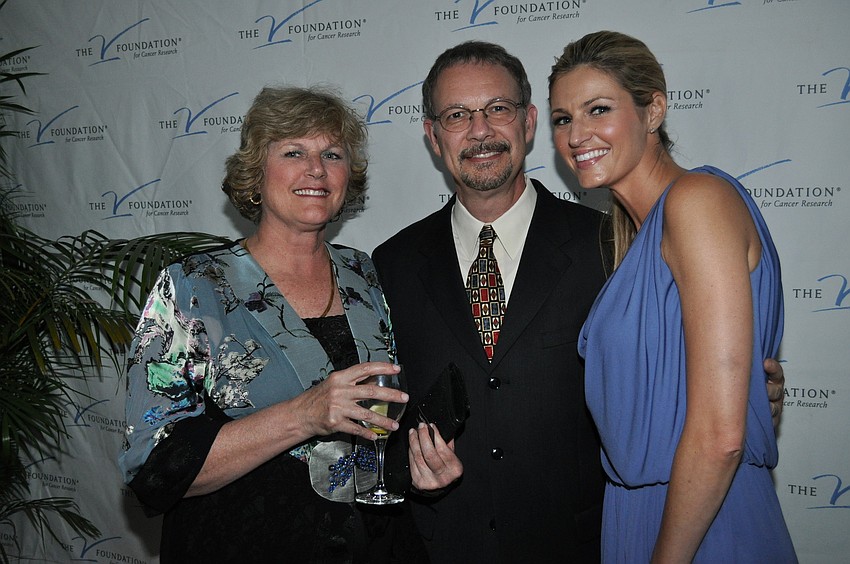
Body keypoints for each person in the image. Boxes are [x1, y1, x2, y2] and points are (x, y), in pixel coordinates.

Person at [373, 41, 787, 563]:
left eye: (497, 108)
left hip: (607, 539)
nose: (479, 130)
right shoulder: (389, 264)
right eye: (457, 115)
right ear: (433, 136)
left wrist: (745, 394)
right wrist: (410, 469)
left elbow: (716, 426)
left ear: (527, 123)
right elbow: (381, 418)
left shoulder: (610, 243)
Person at [119, 86, 426, 563]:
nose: (316, 169)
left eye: (332, 154)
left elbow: (378, 425)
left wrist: (418, 465)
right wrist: (302, 415)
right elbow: (151, 468)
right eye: (293, 152)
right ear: (255, 176)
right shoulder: (195, 286)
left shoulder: (362, 273)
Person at [548, 30, 797, 562]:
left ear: (654, 110)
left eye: (598, 109)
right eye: (563, 119)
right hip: (646, 513)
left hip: (700, 523)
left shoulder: (697, 202)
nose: (576, 135)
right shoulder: (633, 236)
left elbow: (721, 437)